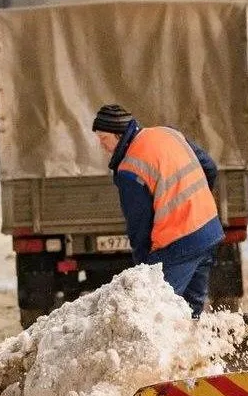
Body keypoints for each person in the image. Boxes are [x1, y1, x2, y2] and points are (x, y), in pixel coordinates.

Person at [92, 104, 223, 317]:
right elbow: (209, 167)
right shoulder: (168, 133)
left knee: (155, 311)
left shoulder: (129, 169)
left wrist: (145, 272)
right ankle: (194, 347)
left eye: (103, 139)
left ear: (118, 135)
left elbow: (140, 226)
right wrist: (197, 203)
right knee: (191, 310)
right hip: (209, 230)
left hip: (179, 242)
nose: (101, 145)